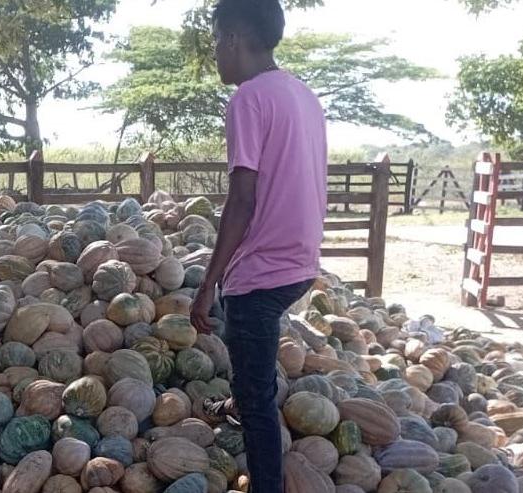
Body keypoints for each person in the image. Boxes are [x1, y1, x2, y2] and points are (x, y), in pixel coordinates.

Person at [188, 0, 327, 491]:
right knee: (250, 353)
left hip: (263, 271)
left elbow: (242, 201)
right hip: (301, 262)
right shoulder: (302, 94)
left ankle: (264, 473)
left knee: (260, 404)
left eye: (215, 43)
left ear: (232, 38)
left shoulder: (248, 98)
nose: (216, 55)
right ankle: (239, 399)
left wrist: (208, 283)